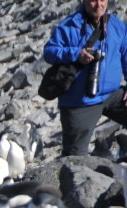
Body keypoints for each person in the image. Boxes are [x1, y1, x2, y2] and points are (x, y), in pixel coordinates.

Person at [44, 0, 127, 156]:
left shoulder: (116, 25)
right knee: (74, 159)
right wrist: (76, 54)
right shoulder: (69, 26)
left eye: (102, 0)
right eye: (93, 1)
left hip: (111, 94)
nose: (99, 5)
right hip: (80, 102)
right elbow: (49, 52)